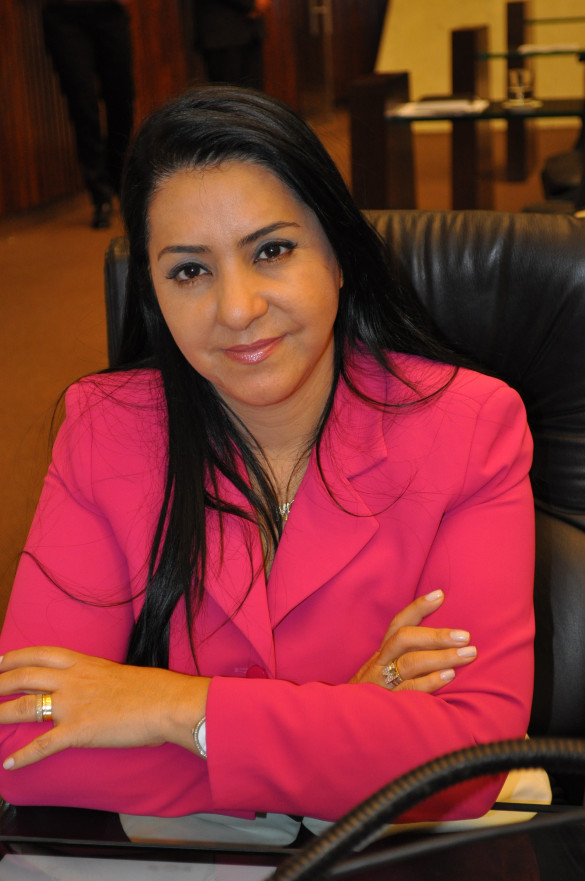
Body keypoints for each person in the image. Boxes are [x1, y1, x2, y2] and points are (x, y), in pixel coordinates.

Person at [0, 86, 543, 841]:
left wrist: (173, 707)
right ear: (154, 292)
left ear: (339, 256)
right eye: (190, 271)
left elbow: (467, 762)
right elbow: (24, 741)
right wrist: (348, 724)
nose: (238, 309)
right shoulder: (106, 427)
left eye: (272, 251)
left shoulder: (470, 427)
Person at [42, 0, 134, 229]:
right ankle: (100, 196)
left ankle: (118, 179)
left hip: (109, 13)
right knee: (83, 107)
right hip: (64, 17)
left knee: (122, 99)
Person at [195, 0, 270, 90]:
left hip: (249, 31)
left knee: (253, 90)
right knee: (229, 91)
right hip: (223, 34)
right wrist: (253, 3)